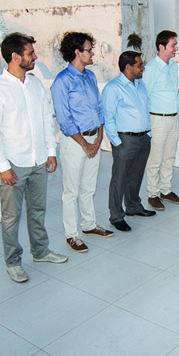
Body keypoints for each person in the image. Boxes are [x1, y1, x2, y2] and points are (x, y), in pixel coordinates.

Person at [0, 33, 68, 283]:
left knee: (38, 210)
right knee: (11, 217)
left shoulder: (35, 84)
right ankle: (13, 262)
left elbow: (46, 119)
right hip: (13, 164)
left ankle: (40, 251)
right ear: (15, 57)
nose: (35, 57)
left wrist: (51, 152)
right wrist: (3, 167)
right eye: (31, 53)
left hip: (39, 159)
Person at [51, 32, 114, 253]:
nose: (92, 53)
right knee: (72, 191)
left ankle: (88, 225)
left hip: (93, 138)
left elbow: (99, 107)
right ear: (77, 52)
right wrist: (84, 143)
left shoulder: (90, 77)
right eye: (89, 49)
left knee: (89, 187)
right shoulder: (62, 81)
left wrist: (98, 137)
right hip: (73, 141)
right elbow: (64, 119)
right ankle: (72, 234)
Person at [103, 50, 154, 232]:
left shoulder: (140, 84)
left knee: (136, 175)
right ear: (128, 67)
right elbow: (108, 118)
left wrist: (148, 133)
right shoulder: (113, 88)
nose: (143, 67)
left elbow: (144, 109)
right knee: (120, 178)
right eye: (139, 65)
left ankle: (133, 206)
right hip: (125, 140)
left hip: (143, 138)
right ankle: (116, 216)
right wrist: (117, 142)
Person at [143, 30, 179, 211]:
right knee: (155, 159)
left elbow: (175, 93)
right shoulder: (151, 69)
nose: (176, 48)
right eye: (173, 45)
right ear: (162, 46)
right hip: (157, 119)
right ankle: (153, 194)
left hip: (173, 118)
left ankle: (166, 190)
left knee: (169, 157)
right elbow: (145, 96)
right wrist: (147, 126)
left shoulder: (173, 66)